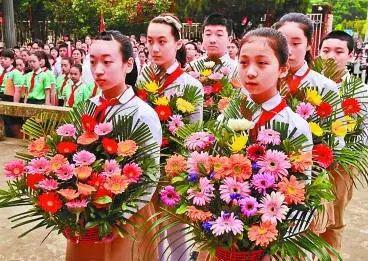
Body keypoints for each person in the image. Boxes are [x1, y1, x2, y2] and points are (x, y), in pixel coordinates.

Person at [197, 27, 313, 261]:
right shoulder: (226, 117)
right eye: (244, 62)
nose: (250, 72)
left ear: (282, 69)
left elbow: (302, 193)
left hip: (269, 243)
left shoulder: (295, 126)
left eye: (262, 64)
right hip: (224, 237)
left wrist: (272, 240)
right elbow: (212, 175)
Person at [66, 30, 162, 261]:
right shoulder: (86, 107)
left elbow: (150, 176)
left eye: (107, 62)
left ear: (128, 65)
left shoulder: (143, 114)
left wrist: (113, 216)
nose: (98, 70)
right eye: (93, 62)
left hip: (127, 218)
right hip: (87, 214)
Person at [142, 13, 204, 261]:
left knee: (175, 231)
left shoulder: (190, 85)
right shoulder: (144, 78)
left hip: (173, 170)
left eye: (162, 41)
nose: (154, 48)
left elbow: (193, 136)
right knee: (148, 228)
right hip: (145, 168)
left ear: (178, 44)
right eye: (150, 41)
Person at [319, 30, 368, 253]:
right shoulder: (309, 85)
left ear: (351, 55)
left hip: (342, 166)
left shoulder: (360, 91)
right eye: (326, 50)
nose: (331, 56)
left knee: (334, 221)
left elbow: (365, 132)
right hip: (310, 163)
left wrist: (347, 159)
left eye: (339, 51)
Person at [187, 13, 238, 78]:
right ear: (203, 37)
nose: (212, 40)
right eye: (208, 34)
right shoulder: (192, 67)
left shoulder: (237, 69)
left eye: (219, 35)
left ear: (229, 39)